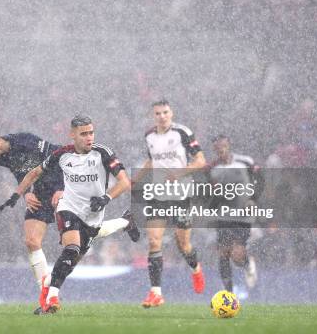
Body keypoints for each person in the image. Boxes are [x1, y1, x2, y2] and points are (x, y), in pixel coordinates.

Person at [0, 128, 139, 312]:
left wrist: (60, 188)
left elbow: (59, 160)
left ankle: (125, 221)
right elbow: (21, 172)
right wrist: (26, 193)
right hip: (41, 194)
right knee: (31, 241)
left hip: (67, 187)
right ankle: (46, 297)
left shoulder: (25, 140)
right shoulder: (1, 157)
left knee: (79, 242)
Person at [13, 115, 131, 314]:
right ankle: (51, 300)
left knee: (72, 261)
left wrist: (105, 198)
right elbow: (35, 173)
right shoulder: (62, 154)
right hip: (68, 208)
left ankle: (125, 221)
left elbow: (125, 182)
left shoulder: (103, 153)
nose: (89, 137)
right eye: (83, 134)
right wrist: (17, 194)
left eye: (91, 133)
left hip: (93, 213)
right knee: (72, 248)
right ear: (72, 135)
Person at [132, 99, 207, 308]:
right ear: (153, 116)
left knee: (183, 244)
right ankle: (156, 293)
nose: (162, 116)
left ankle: (196, 268)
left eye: (165, 112)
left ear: (171, 113)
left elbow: (201, 161)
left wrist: (179, 173)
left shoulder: (183, 133)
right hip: (158, 194)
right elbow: (151, 161)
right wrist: (135, 179)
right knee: (154, 240)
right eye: (158, 113)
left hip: (181, 194)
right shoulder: (149, 136)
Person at [208, 135, 259, 292]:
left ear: (229, 145)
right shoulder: (211, 168)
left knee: (236, 255)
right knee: (223, 253)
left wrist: (253, 199)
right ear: (214, 149)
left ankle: (247, 264)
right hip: (223, 215)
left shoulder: (245, 162)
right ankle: (228, 293)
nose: (221, 149)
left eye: (223, 145)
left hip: (243, 215)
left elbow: (260, 180)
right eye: (217, 147)